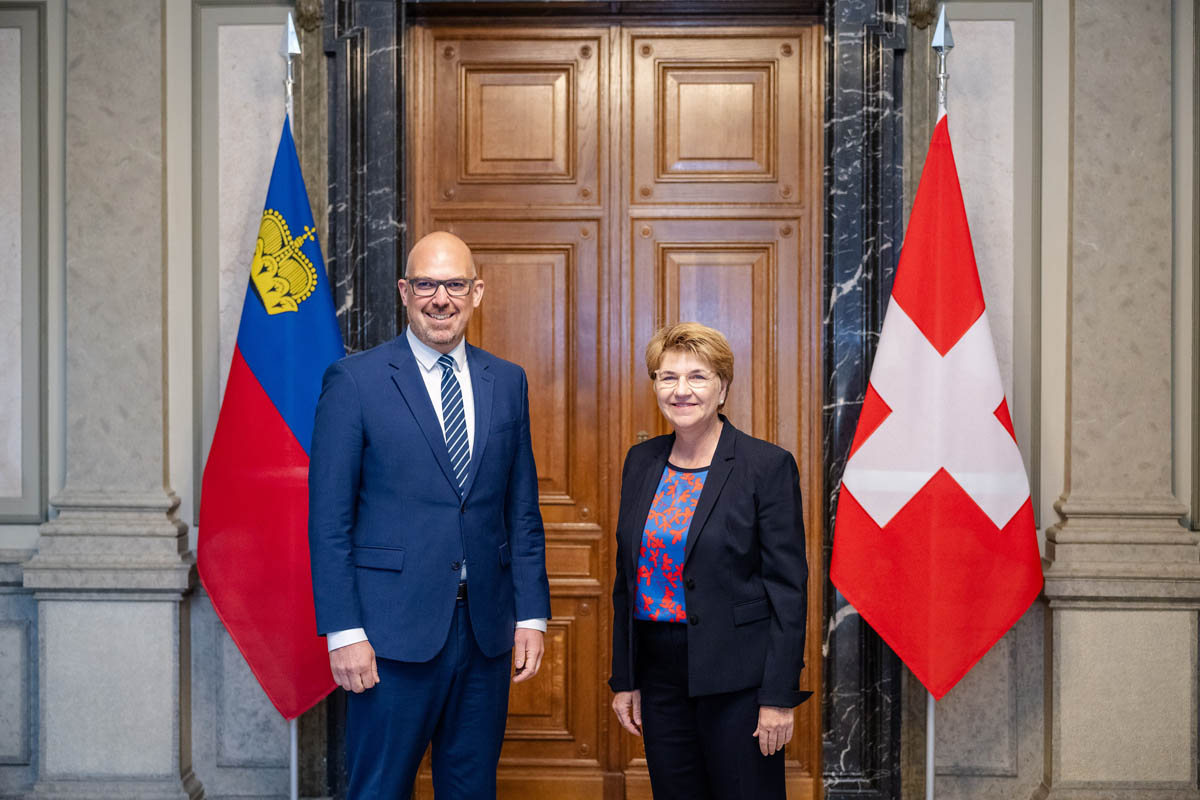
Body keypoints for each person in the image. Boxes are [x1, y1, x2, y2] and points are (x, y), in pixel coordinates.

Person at [308, 231, 551, 799]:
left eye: (455, 285)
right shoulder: (355, 381)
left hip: (486, 633)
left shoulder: (507, 382)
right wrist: (343, 632)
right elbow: (329, 520)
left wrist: (532, 616)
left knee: (471, 789)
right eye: (426, 284)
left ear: (477, 292)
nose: (440, 298)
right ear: (403, 290)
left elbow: (522, 511)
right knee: (380, 790)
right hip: (389, 637)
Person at [609, 322, 810, 800]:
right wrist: (626, 678)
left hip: (740, 680)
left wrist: (779, 697)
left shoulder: (766, 466)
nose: (681, 391)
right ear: (655, 385)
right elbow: (626, 579)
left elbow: (788, 589)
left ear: (723, 387)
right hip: (659, 677)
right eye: (667, 377)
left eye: (697, 377)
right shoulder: (641, 461)